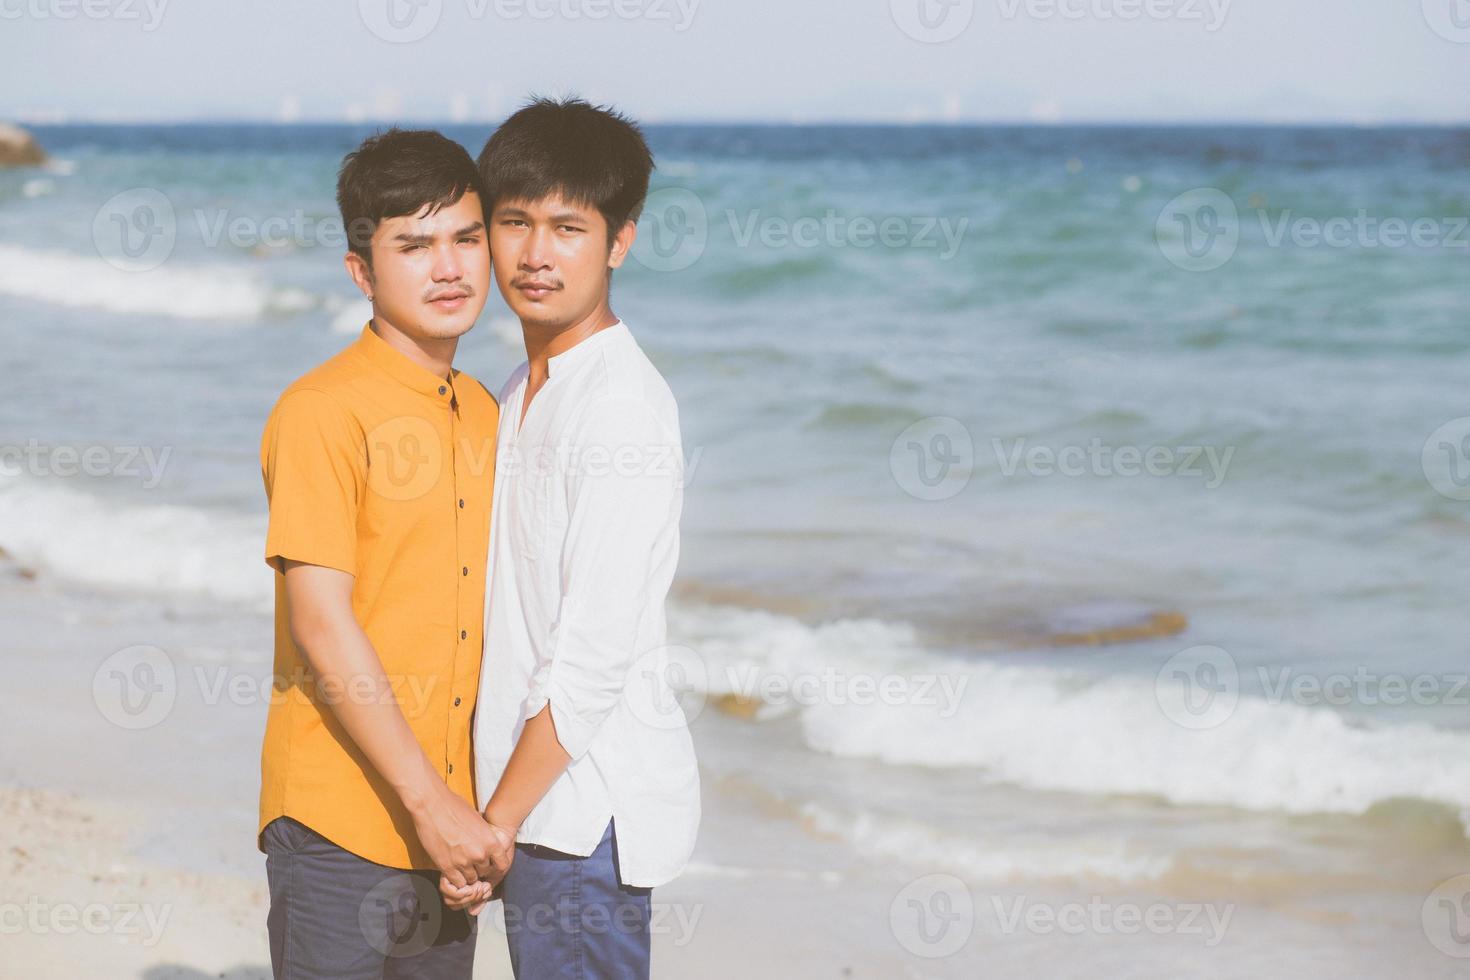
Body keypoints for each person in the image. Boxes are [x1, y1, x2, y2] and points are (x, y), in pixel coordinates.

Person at [458, 97, 701, 979]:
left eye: (568, 226)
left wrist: (496, 822)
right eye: (514, 222)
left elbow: (592, 655)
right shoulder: (526, 385)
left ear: (620, 241)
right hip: (532, 804)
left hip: (580, 813)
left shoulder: (621, 406)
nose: (535, 254)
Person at [256, 128, 505, 979]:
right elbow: (322, 625)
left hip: (449, 830)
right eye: (414, 245)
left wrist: (473, 816)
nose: (449, 268)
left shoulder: (483, 409)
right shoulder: (322, 410)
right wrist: (431, 806)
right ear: (361, 270)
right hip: (340, 822)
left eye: (466, 239)